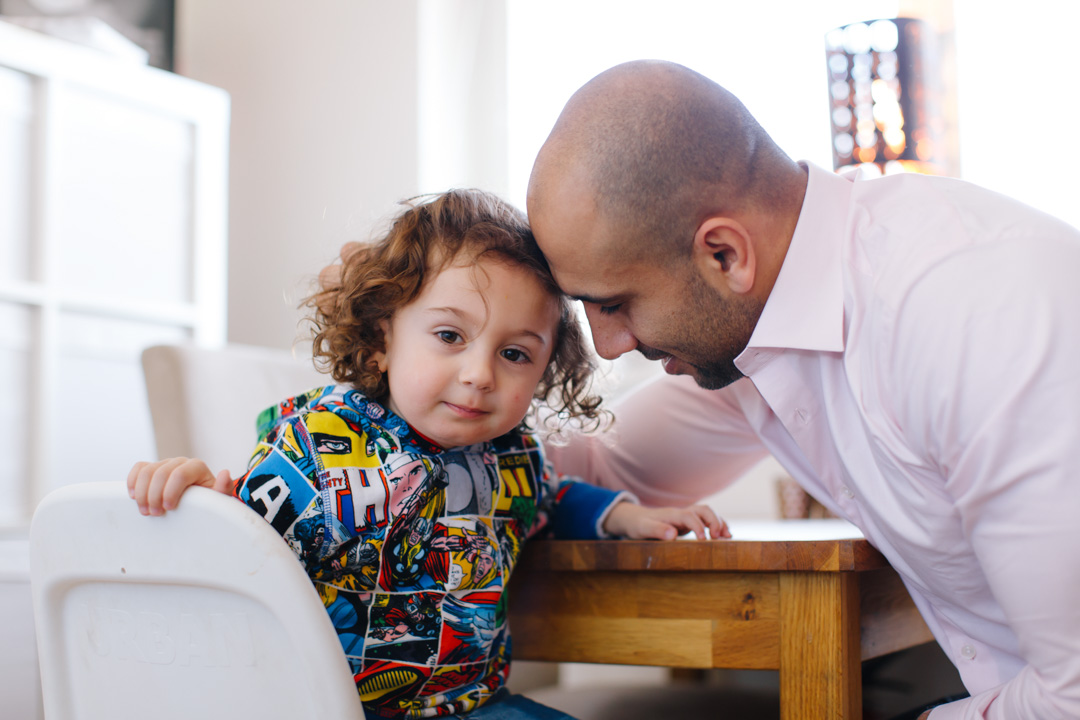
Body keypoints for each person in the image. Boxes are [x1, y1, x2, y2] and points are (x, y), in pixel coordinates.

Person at [525, 60, 1080, 720]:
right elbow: (589, 467)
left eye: (614, 303)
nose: (608, 344)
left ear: (724, 254)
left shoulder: (970, 312)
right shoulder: (750, 335)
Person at [127, 189, 728, 720]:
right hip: (325, 708)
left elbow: (551, 498)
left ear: (546, 372)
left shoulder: (514, 455)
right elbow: (240, 552)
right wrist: (203, 497)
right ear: (382, 336)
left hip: (470, 704)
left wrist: (624, 515)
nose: (479, 374)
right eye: (449, 336)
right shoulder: (318, 444)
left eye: (515, 355)